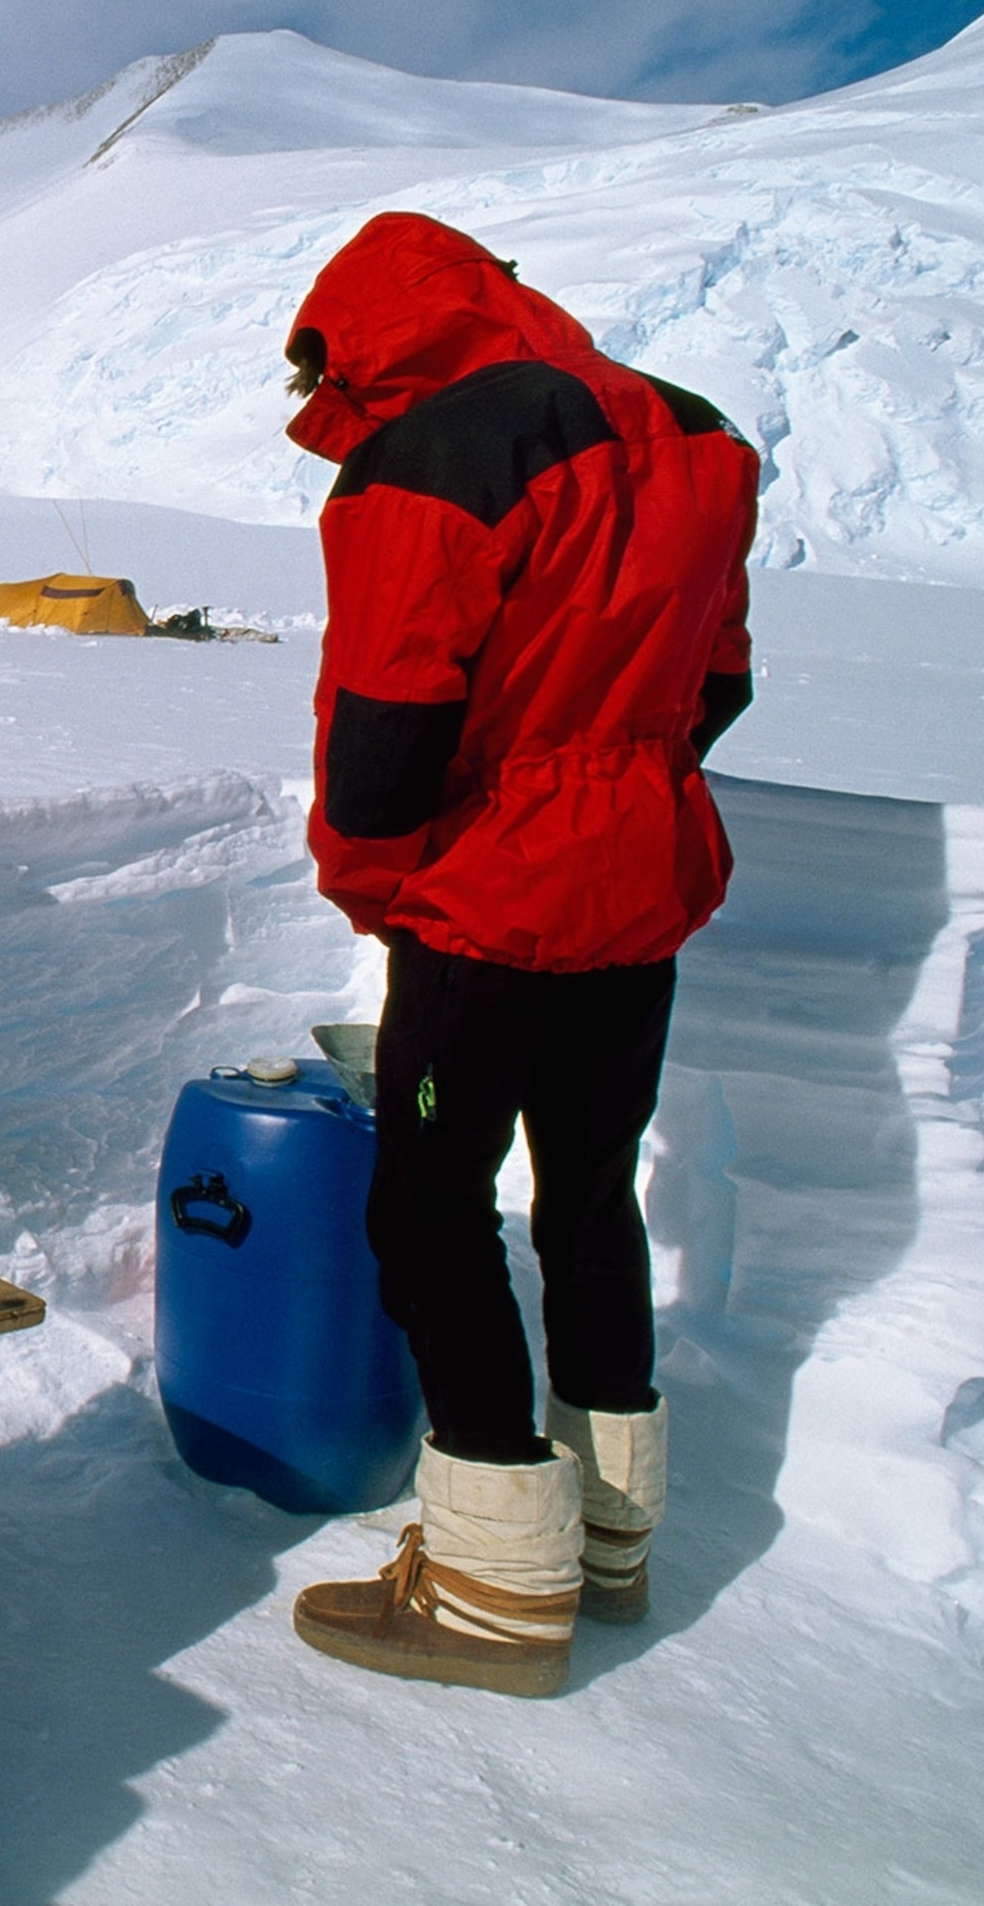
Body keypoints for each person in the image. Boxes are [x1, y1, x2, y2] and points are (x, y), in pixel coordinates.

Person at [276, 213, 757, 1697]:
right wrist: (613, 784)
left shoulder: (431, 460)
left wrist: (382, 889)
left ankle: (493, 1581)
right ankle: (613, 1535)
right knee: (590, 1189)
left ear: (362, 339)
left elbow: (383, 744)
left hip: (493, 903)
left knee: (429, 1213)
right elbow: (721, 681)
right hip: (641, 885)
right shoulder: (695, 435)